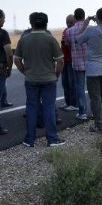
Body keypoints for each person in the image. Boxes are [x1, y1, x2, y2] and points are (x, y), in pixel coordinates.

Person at [15, 12, 65, 147]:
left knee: (31, 108)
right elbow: (60, 61)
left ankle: (29, 140)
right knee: (49, 108)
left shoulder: (24, 39)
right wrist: (56, 74)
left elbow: (17, 59)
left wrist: (25, 71)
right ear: (46, 23)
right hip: (49, 79)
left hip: (31, 79)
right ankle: (52, 139)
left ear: (31, 24)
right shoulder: (50, 39)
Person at [75, 8, 102, 133]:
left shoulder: (91, 30)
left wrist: (86, 23)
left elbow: (77, 39)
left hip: (93, 70)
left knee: (96, 98)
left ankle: (100, 126)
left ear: (97, 17)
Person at [65, 8, 88, 120]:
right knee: (94, 88)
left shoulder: (69, 31)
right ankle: (96, 111)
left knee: (79, 88)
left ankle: (82, 112)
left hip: (77, 63)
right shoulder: (90, 28)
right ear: (84, 16)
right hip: (90, 63)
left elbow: (68, 44)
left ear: (74, 17)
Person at [60, 15, 77, 111]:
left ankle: (74, 104)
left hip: (71, 61)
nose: (69, 24)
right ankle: (67, 102)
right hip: (64, 60)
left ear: (75, 21)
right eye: (67, 22)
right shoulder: (65, 31)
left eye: (70, 22)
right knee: (65, 83)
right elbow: (63, 44)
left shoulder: (75, 31)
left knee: (72, 83)